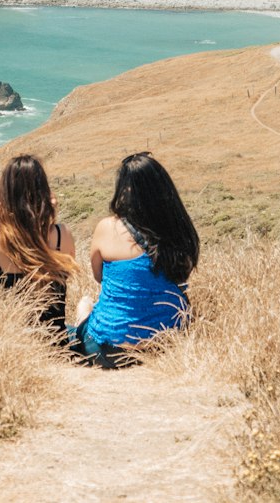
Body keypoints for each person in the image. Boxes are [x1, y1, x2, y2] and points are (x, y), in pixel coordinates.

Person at [72, 152, 199, 367]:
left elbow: (99, 277)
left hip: (108, 348)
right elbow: (181, 275)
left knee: (85, 304)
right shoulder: (178, 230)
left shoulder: (107, 227)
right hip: (166, 343)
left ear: (124, 190)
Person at [0, 153, 77, 335]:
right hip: (54, 345)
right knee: (84, 310)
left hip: (8, 344)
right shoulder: (62, 235)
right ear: (44, 190)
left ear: (4, 192)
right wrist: (50, 213)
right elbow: (64, 276)